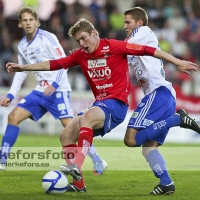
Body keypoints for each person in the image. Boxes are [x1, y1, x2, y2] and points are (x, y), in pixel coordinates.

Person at [5, 18, 199, 193]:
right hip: (100, 104)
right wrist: (23, 67)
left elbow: (148, 50)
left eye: (84, 38)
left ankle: (76, 166)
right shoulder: (81, 55)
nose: (81, 44)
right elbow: (55, 64)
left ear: (94, 33)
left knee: (87, 118)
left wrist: (177, 61)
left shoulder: (114, 46)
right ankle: (79, 184)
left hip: (116, 105)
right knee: (65, 135)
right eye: (78, 41)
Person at [0, 7, 108, 175]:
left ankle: (98, 160)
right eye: (25, 20)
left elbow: (63, 62)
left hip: (58, 90)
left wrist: (55, 85)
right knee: (13, 117)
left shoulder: (48, 38)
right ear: (20, 23)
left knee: (71, 127)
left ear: (37, 21)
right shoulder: (22, 45)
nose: (28, 23)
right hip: (40, 91)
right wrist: (11, 94)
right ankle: (2, 160)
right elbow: (20, 71)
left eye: (31, 20)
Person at [123, 7, 200, 195]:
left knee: (130, 139)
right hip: (165, 96)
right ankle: (166, 183)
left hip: (158, 93)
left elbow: (120, 48)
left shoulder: (143, 32)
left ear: (139, 23)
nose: (125, 26)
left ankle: (177, 120)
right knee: (148, 149)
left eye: (128, 22)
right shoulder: (133, 41)